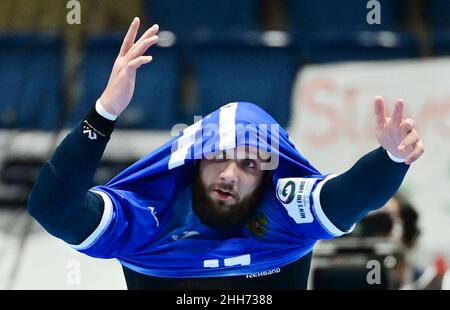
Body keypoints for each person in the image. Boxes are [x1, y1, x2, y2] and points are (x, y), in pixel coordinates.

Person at [27, 17, 425, 290]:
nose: (230, 173)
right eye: (218, 157)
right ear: (193, 163)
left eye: (250, 163)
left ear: (269, 177)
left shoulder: (284, 210)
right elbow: (50, 208)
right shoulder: (146, 215)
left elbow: (352, 196)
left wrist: (389, 159)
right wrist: (104, 113)